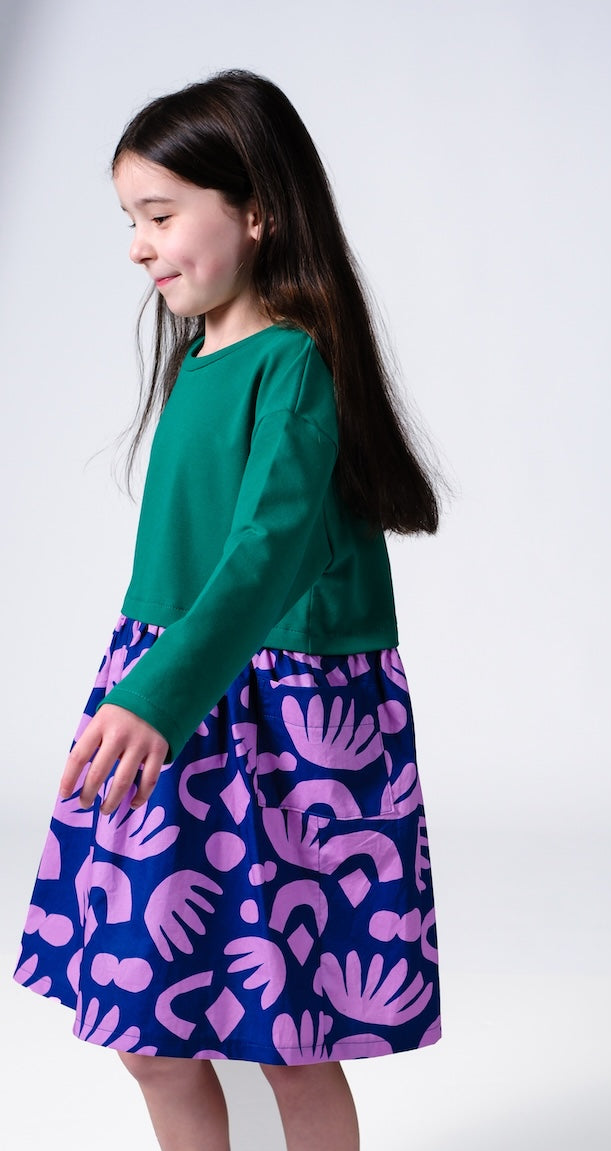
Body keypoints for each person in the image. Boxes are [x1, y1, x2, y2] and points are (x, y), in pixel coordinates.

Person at [13, 70, 442, 1151]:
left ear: (256, 210)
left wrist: (153, 694)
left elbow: (269, 548)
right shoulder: (203, 358)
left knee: (291, 1034)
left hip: (276, 717)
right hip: (178, 696)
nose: (138, 246)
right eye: (131, 221)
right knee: (150, 1026)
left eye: (161, 216)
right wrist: (148, 685)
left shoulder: (293, 363)